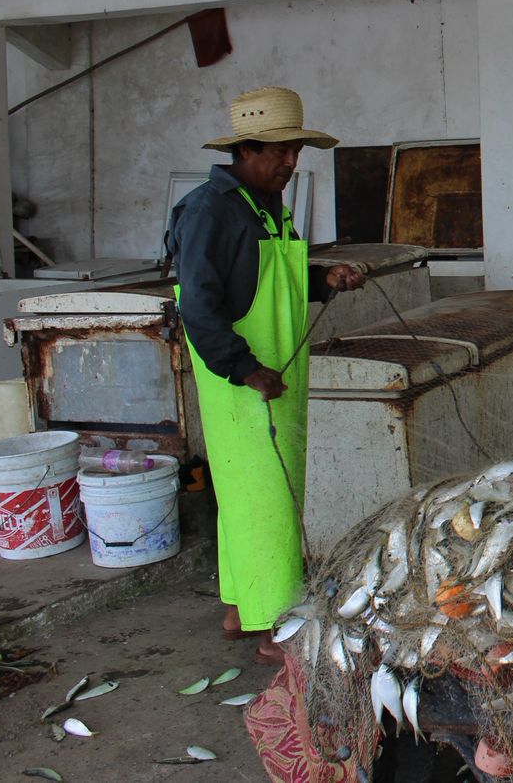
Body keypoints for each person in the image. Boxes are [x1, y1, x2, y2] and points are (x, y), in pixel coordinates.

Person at [169, 86, 365, 665]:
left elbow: (266, 281)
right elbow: (198, 306)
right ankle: (275, 629)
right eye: (279, 151)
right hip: (242, 383)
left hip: (274, 373)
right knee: (268, 501)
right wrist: (245, 368)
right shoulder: (209, 211)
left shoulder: (263, 206)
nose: (290, 162)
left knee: (245, 496)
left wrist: (324, 279)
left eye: (295, 151)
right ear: (246, 149)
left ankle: (238, 608)